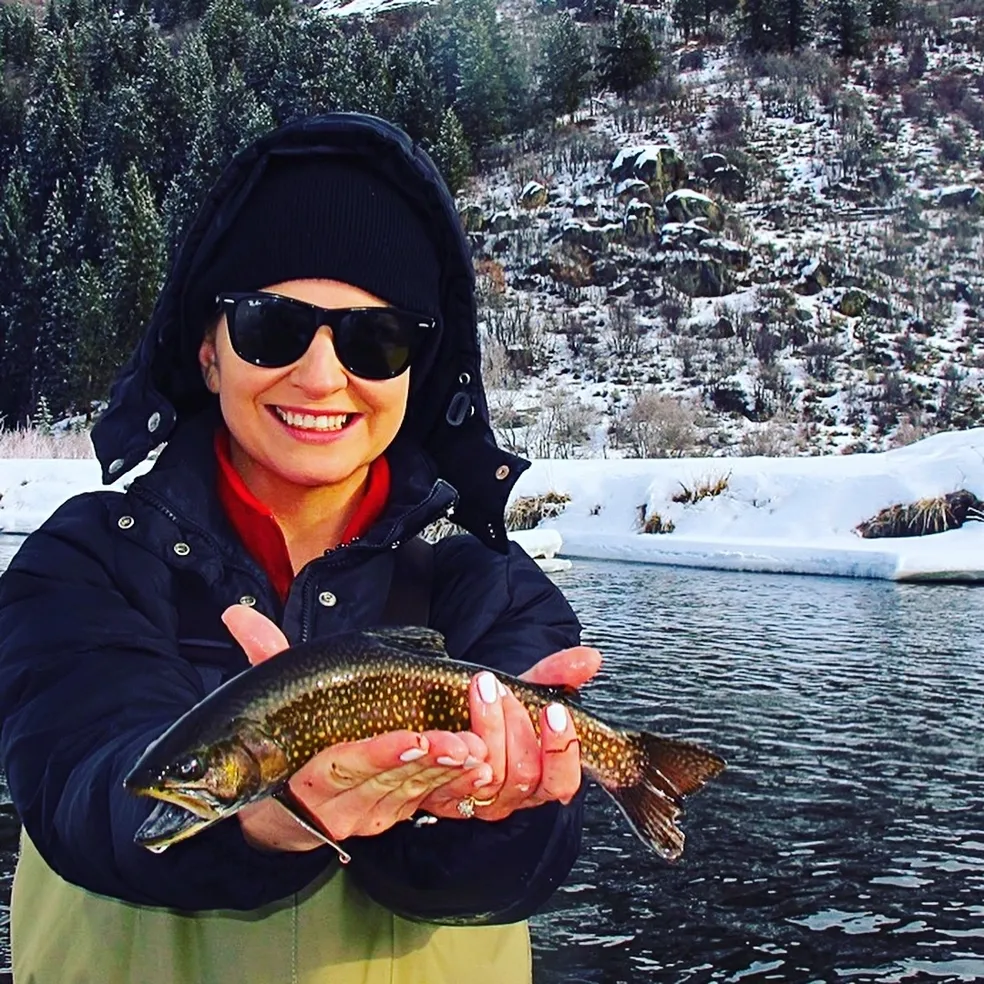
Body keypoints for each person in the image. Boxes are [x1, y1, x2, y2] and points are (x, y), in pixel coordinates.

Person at [0, 113, 602, 983]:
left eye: (375, 338)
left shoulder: (493, 591)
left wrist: (496, 805)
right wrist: (259, 823)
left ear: (413, 373)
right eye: (271, 327)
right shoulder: (83, 564)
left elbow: (521, 873)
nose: (322, 376)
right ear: (208, 351)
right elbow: (83, 790)